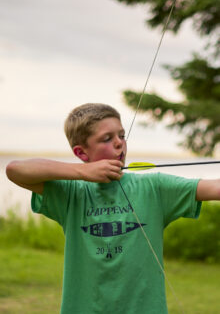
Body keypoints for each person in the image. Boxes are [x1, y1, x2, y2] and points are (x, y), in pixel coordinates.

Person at [6, 103, 220, 314]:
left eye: (122, 135)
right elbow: (15, 170)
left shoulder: (154, 187)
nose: (120, 143)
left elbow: (214, 188)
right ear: (81, 153)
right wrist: (84, 172)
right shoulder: (72, 193)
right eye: (107, 139)